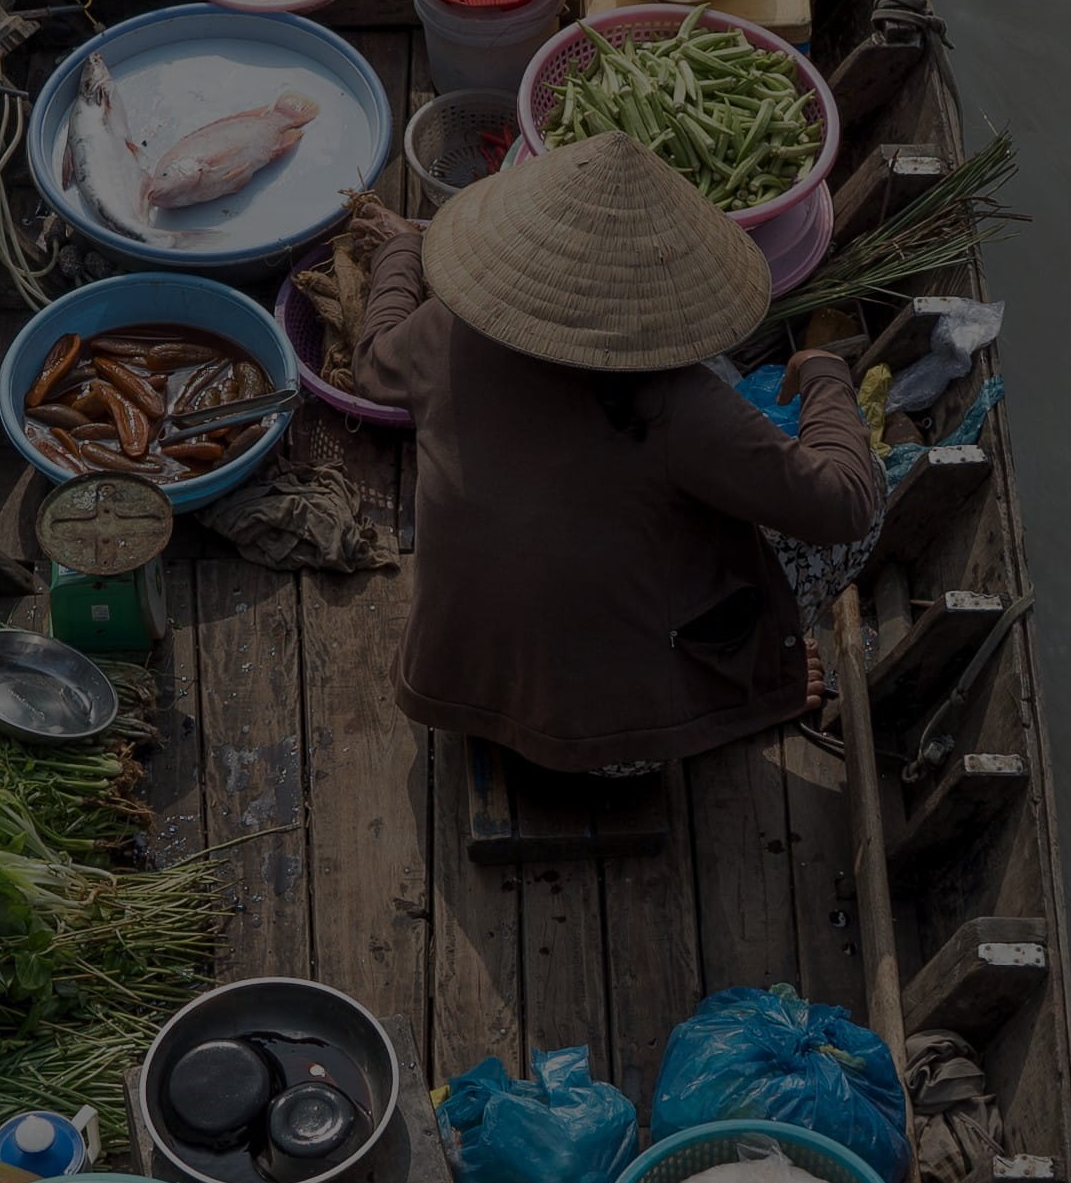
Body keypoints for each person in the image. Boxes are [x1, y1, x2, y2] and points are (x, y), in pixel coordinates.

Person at [347, 132, 879, 774]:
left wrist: (402, 251)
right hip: (616, 749)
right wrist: (824, 375)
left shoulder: (445, 333)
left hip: (454, 687)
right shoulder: (675, 402)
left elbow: (374, 361)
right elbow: (845, 504)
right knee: (868, 486)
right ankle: (747, 680)